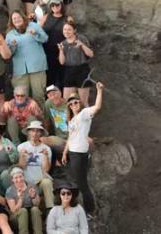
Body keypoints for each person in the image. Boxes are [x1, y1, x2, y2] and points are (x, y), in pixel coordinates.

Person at [62, 82, 105, 218]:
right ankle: (85, 209)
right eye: (71, 103)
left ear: (79, 103)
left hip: (80, 154)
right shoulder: (72, 119)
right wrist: (64, 152)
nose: (74, 105)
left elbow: (97, 107)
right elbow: (70, 137)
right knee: (79, 181)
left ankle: (90, 211)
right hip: (73, 153)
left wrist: (99, 91)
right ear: (69, 106)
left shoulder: (84, 114)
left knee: (81, 183)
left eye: (76, 102)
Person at [6, 11, 48, 110]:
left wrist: (35, 34)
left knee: (38, 97)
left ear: (23, 17)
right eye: (14, 18)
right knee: (21, 97)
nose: (17, 20)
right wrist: (12, 46)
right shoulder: (9, 35)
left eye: (18, 17)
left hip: (37, 67)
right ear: (11, 21)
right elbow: (8, 54)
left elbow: (45, 38)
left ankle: (40, 122)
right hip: (19, 70)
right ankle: (23, 123)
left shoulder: (33, 26)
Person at [17, 120, 54, 212]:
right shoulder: (21, 147)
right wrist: (22, 156)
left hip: (40, 180)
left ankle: (50, 210)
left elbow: (46, 170)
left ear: (41, 133)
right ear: (29, 132)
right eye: (32, 130)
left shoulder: (47, 148)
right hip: (26, 181)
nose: (35, 133)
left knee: (47, 182)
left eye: (38, 131)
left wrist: (45, 156)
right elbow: (21, 167)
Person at [58, 20, 94, 105]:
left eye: (69, 29)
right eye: (65, 29)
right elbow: (62, 62)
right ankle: (70, 118)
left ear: (74, 30)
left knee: (83, 101)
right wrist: (60, 50)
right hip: (69, 71)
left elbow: (91, 54)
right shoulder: (63, 43)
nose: (66, 31)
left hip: (82, 70)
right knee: (67, 101)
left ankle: (86, 118)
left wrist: (82, 45)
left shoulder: (81, 39)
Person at [40, 0, 67, 89]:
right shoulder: (46, 17)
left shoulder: (67, 18)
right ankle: (49, 99)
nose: (55, 7)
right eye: (52, 5)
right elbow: (38, 30)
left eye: (57, 4)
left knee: (62, 76)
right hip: (47, 50)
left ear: (62, 5)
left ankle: (62, 99)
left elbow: (72, 33)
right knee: (49, 76)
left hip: (62, 50)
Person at [6, 167, 43, 234]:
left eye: (20, 176)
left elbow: (37, 204)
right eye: (16, 178)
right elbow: (13, 210)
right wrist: (20, 198)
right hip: (17, 218)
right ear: (12, 180)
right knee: (23, 211)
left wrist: (33, 197)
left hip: (32, 215)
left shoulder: (32, 186)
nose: (19, 179)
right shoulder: (10, 190)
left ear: (24, 177)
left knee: (35, 209)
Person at [42, 85, 68, 159]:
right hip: (60, 139)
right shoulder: (48, 104)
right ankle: (54, 162)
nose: (53, 97)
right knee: (42, 140)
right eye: (50, 95)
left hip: (72, 139)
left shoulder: (69, 104)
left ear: (60, 93)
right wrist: (46, 135)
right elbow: (46, 121)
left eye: (55, 93)